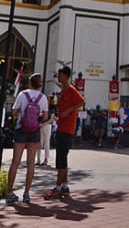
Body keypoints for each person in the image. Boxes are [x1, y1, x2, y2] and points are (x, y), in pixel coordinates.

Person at [5, 73, 48, 205]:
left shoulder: (23, 94)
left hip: (20, 130)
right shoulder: (43, 97)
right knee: (31, 163)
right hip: (34, 132)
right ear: (40, 84)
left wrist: (20, 113)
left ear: (29, 82)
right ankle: (26, 193)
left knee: (15, 162)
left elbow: (14, 111)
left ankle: (9, 192)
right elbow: (45, 117)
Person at [44, 66, 84, 199]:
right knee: (62, 158)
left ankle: (58, 186)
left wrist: (69, 111)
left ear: (66, 76)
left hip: (67, 129)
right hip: (61, 127)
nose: (58, 77)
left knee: (61, 159)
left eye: (60, 75)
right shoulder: (63, 91)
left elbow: (82, 102)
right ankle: (64, 186)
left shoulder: (71, 90)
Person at [39, 95, 56, 166]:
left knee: (46, 143)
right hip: (41, 126)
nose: (47, 100)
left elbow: (51, 120)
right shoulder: (43, 107)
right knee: (39, 143)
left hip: (47, 126)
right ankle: (38, 159)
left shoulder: (52, 109)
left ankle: (46, 159)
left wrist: (43, 124)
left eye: (48, 99)